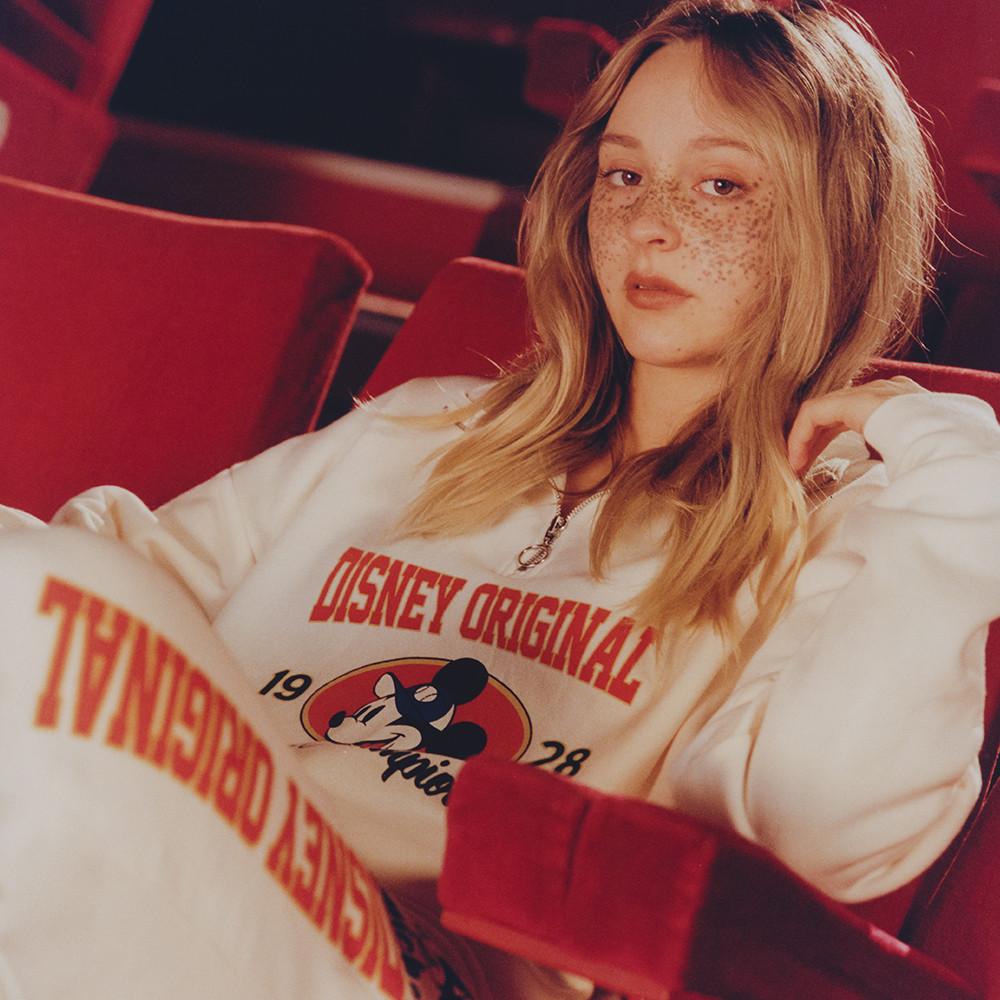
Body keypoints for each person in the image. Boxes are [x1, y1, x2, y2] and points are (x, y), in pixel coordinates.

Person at [3, 0, 1000, 997]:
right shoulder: (423, 431)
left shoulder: (832, 532)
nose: (652, 223)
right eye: (623, 174)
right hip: (156, 876)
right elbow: (92, 577)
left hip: (410, 965)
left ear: (834, 221)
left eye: (721, 183)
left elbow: (816, 820)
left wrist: (946, 453)